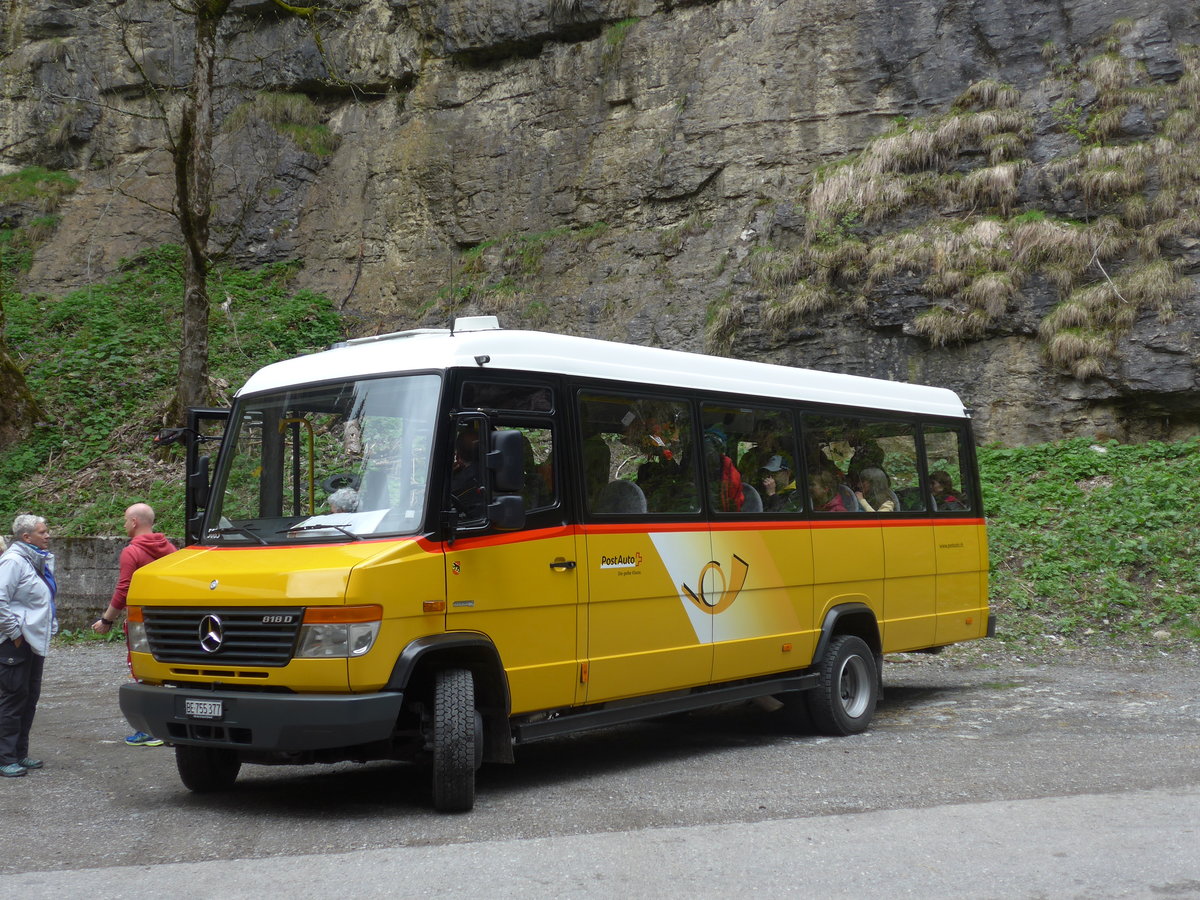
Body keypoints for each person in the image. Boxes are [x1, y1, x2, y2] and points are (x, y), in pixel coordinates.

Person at [91, 503, 177, 747]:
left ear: (134, 522)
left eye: (125, 520)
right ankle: (170, 727)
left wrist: (107, 620)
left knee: (142, 671)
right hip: (170, 621)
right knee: (166, 671)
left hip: (143, 622)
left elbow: (123, 589)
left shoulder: (132, 552)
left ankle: (150, 730)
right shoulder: (169, 548)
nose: (124, 524)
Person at [0, 514, 57, 777]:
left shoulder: (34, 560)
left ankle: (19, 754)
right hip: (15, 643)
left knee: (29, 698)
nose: (47, 536)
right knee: (12, 699)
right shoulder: (12, 561)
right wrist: (14, 633)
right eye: (42, 532)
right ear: (26, 537)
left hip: (33, 641)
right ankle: (4, 758)